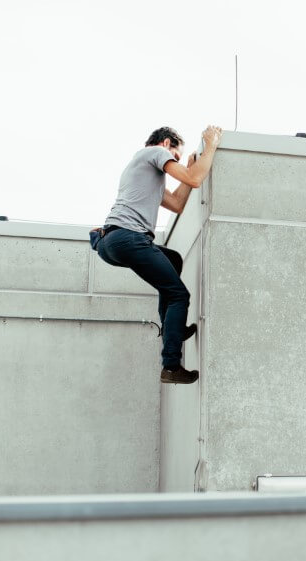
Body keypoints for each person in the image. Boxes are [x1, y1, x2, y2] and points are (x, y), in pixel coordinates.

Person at [95, 125, 222, 384]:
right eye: (175, 156)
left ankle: (172, 330)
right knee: (178, 294)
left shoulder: (142, 170)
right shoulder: (154, 152)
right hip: (128, 237)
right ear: (166, 143)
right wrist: (211, 146)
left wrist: (189, 167)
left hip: (112, 242)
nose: (173, 162)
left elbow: (176, 203)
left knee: (173, 260)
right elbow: (194, 179)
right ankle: (171, 366)